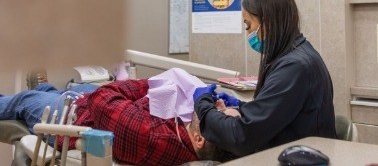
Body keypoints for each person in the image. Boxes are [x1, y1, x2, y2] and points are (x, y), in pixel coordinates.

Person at [193, 0, 337, 157]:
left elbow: (241, 136)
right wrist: (240, 107)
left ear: (267, 23)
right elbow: (278, 111)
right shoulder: (296, 55)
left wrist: (203, 106)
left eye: (248, 25)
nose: (248, 34)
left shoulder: (294, 68)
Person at [0, 76, 230, 165]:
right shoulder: (188, 136)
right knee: (52, 89)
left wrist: (154, 82)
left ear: (199, 139)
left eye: (219, 113)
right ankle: (46, 87)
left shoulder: (149, 136)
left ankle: (41, 92)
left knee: (23, 101)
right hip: (97, 104)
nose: (219, 104)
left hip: (74, 114)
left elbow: (102, 98)